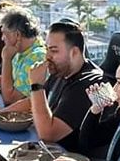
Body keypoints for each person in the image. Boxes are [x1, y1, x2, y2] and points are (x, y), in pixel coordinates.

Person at [20, 19, 102, 154]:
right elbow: (35, 102)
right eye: (47, 49)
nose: (47, 56)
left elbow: (48, 135)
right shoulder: (62, 70)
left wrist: (36, 86)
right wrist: (0, 113)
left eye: (54, 51)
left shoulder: (89, 84)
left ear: (74, 52)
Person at [0, 5, 45, 106]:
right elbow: (5, 79)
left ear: (17, 35)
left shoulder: (35, 58)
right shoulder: (22, 52)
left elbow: (9, 99)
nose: (2, 38)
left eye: (5, 34)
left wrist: (6, 59)